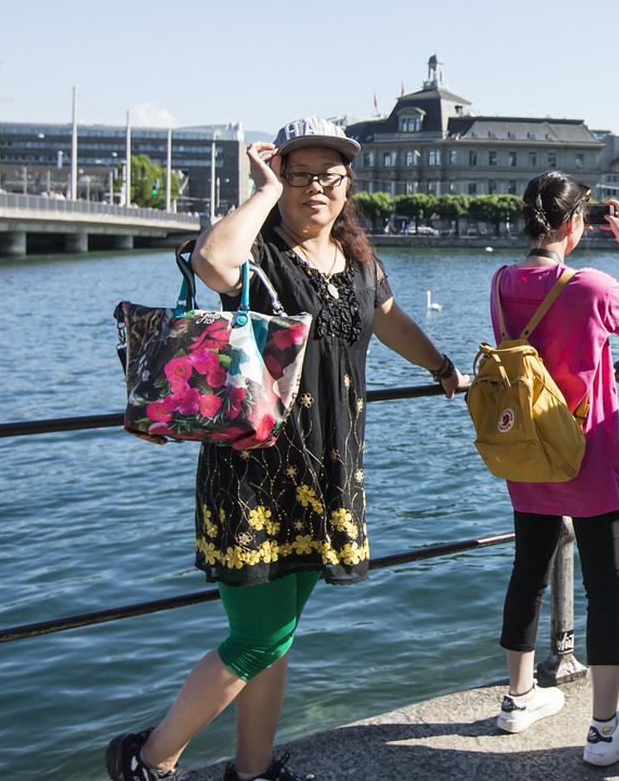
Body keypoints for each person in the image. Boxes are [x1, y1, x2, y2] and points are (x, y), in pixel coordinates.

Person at [105, 117, 469, 781]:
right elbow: (212, 260)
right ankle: (147, 760)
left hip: (326, 473)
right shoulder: (262, 260)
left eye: (328, 176)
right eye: (299, 176)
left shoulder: (359, 261)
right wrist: (265, 189)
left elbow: (389, 321)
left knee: (277, 641)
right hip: (252, 477)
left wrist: (444, 369)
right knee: (257, 638)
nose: (315, 189)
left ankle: (252, 771)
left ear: (348, 182)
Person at [489, 171, 619, 767]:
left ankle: (518, 699)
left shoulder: (502, 281)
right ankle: (606, 729)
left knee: (528, 569)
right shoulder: (590, 287)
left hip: (528, 447)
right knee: (607, 583)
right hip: (587, 449)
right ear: (573, 225)